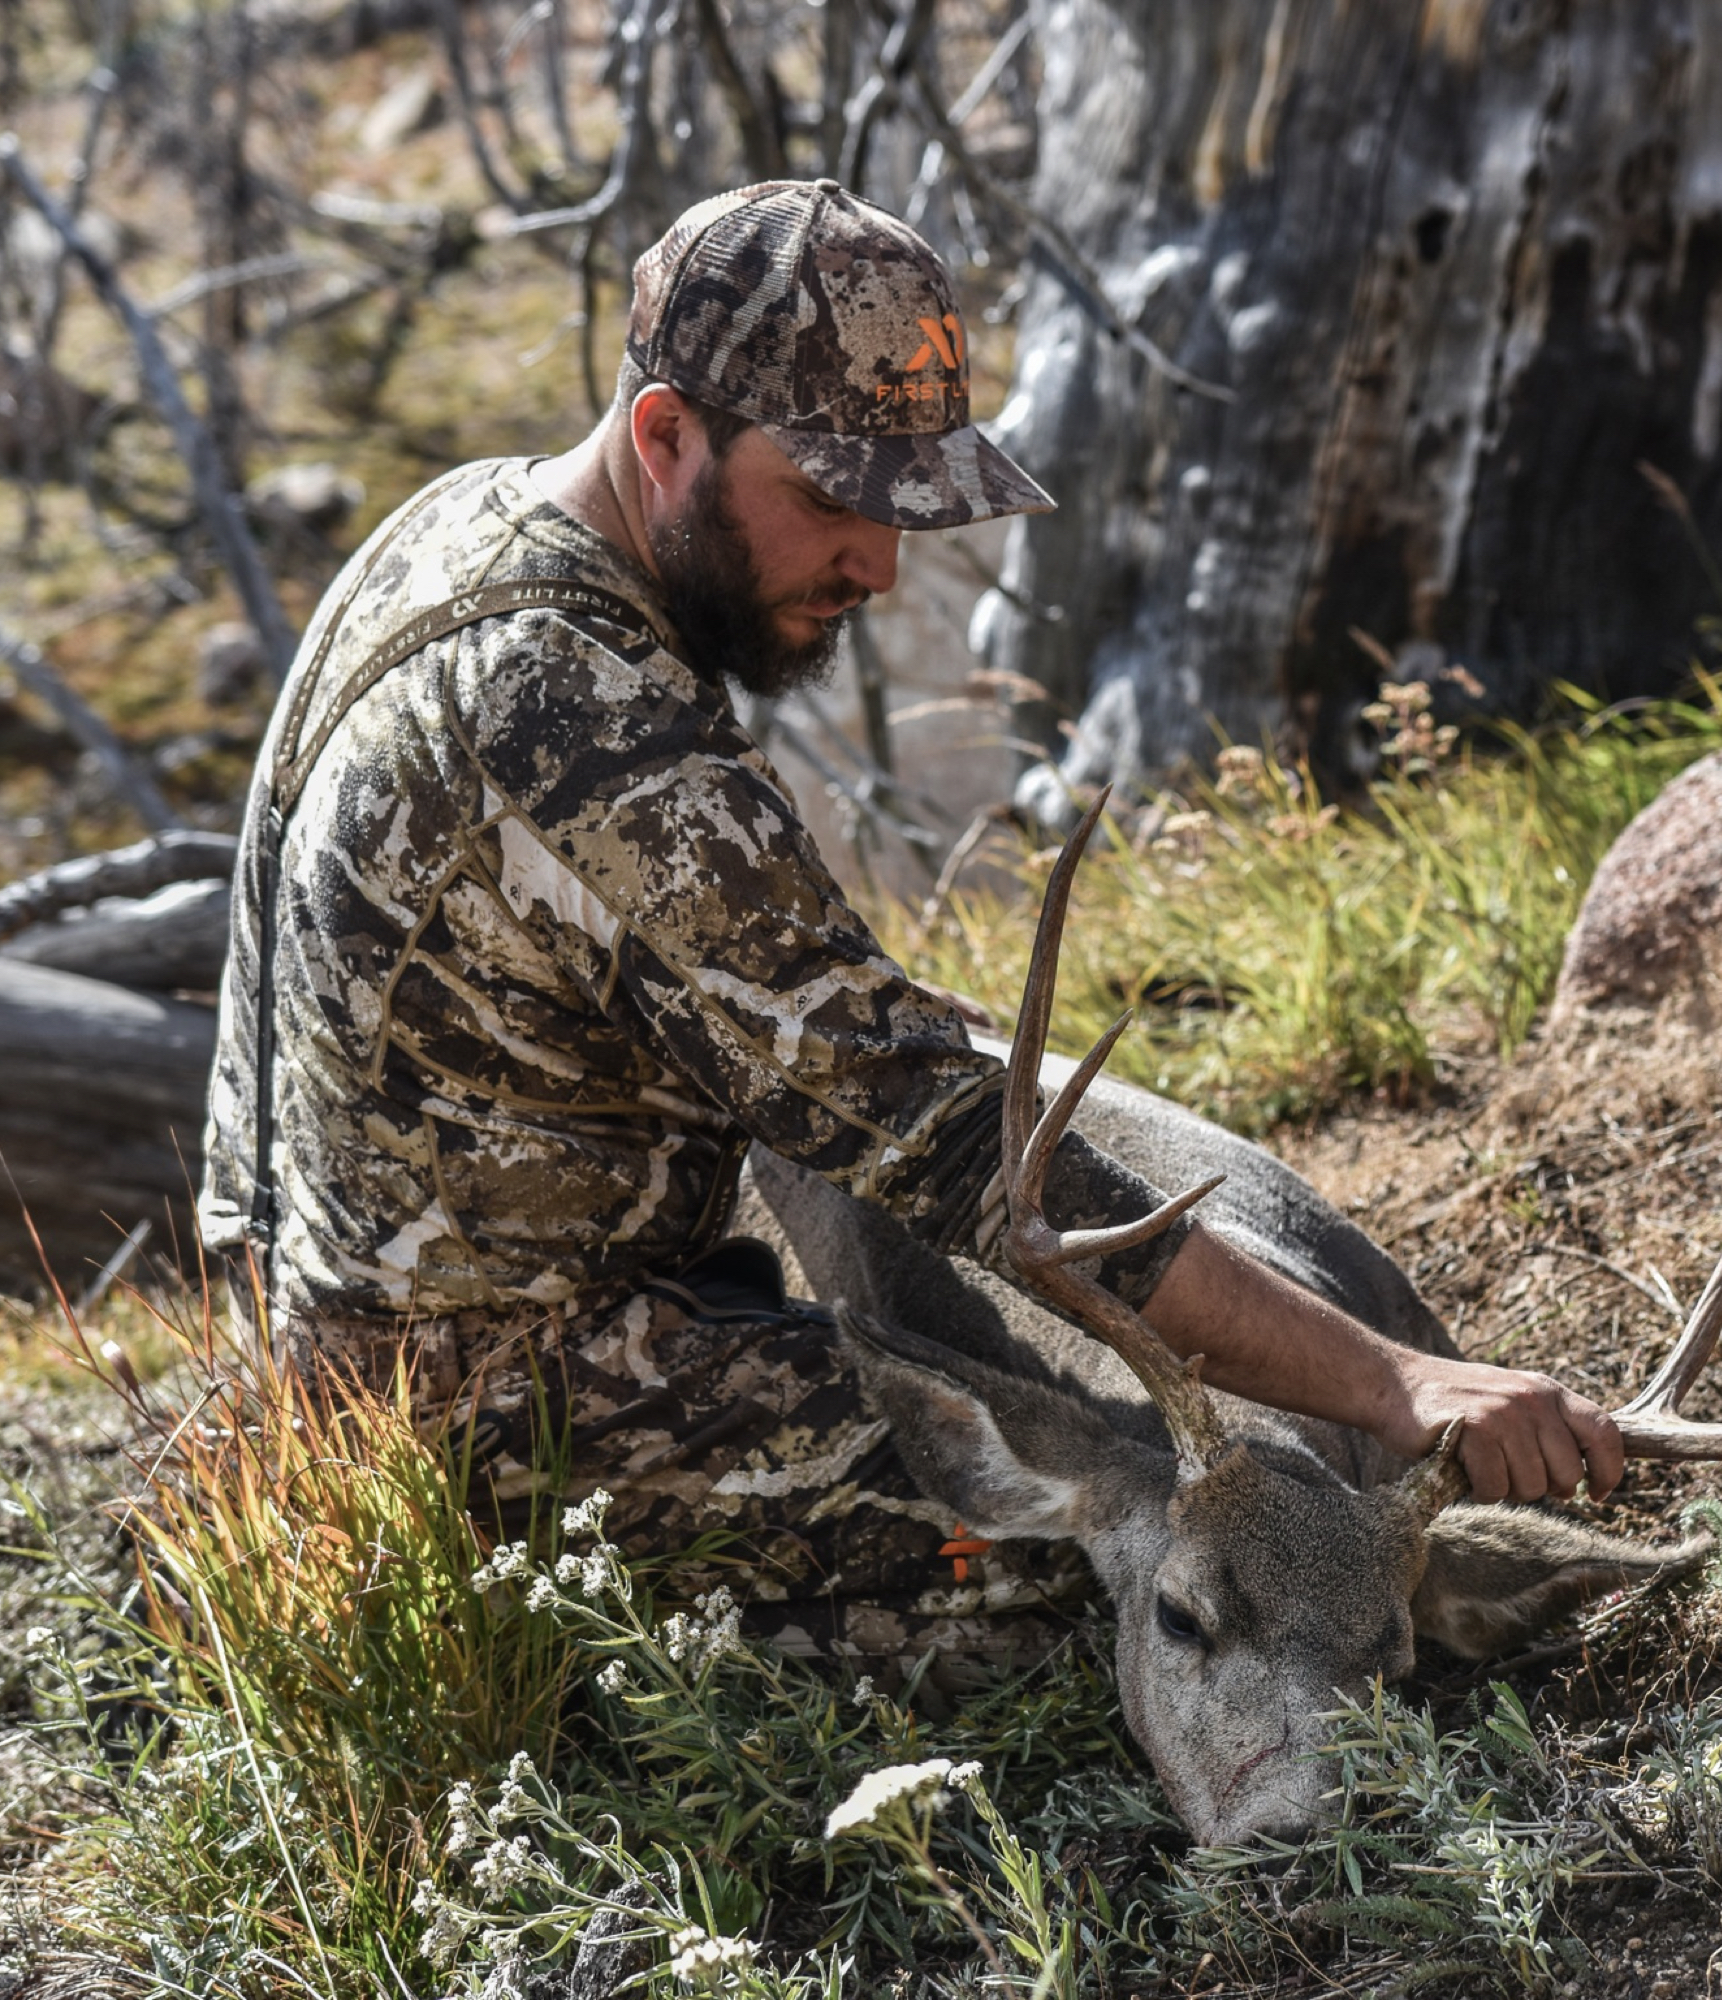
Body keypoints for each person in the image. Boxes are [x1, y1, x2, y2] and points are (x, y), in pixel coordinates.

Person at [200, 179, 1622, 1661]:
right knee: (1129, 1523)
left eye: (903, 507)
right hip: (480, 1431)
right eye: (829, 498)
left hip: (324, 1328)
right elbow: (955, 1153)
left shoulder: (454, 525)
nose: (878, 566)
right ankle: (544, 1667)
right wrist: (1393, 1385)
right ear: (665, 436)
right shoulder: (591, 727)